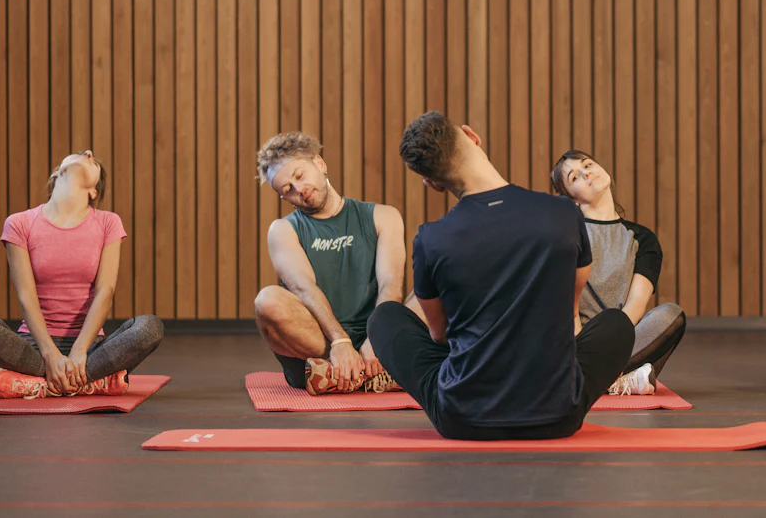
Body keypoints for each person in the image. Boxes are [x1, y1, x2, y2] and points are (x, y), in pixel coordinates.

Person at [367, 111, 635, 440]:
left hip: (464, 419)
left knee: (384, 318)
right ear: (472, 136)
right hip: (558, 414)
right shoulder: (563, 212)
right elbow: (569, 310)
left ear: (432, 183)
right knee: (617, 324)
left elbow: (441, 336)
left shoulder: (430, 239)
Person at [0, 150, 164, 399]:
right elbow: (26, 296)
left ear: (94, 192)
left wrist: (79, 351)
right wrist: (50, 354)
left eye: (93, 160)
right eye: (82, 155)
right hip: (34, 346)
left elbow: (106, 291)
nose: (88, 152)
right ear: (57, 173)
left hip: (90, 349)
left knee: (149, 327)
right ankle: (87, 381)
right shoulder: (19, 223)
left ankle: (41, 383)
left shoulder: (108, 223)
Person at [254, 132, 406, 395]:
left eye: (299, 175)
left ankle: (337, 375)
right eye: (288, 190)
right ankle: (370, 371)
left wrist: (378, 337)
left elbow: (391, 283)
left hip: (374, 336)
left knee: (436, 289)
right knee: (267, 300)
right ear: (284, 198)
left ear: (319, 163)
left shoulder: (384, 216)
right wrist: (339, 341)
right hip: (318, 341)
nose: (299, 189)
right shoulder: (283, 230)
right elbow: (303, 288)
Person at [551, 150, 686, 395]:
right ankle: (616, 377)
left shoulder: (642, 238)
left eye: (588, 165)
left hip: (621, 337)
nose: (586, 173)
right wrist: (583, 346)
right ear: (572, 199)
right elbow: (565, 305)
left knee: (670, 314)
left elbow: (637, 302)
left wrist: (613, 341)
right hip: (575, 339)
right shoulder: (565, 235)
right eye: (575, 177)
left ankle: (595, 377)